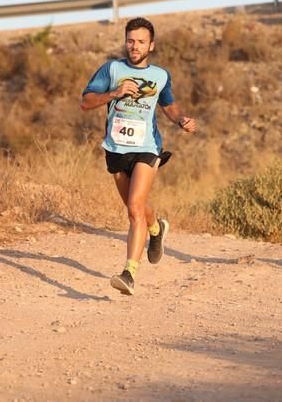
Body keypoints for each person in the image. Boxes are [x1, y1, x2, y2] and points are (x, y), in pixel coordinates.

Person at [80, 17, 197, 295]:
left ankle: (129, 273)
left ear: (151, 45)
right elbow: (85, 102)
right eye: (131, 41)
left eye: (141, 42)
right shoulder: (112, 69)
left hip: (147, 147)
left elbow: (169, 105)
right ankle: (156, 228)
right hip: (116, 148)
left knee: (134, 208)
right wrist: (114, 92)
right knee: (138, 209)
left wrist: (182, 120)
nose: (135, 46)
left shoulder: (160, 75)